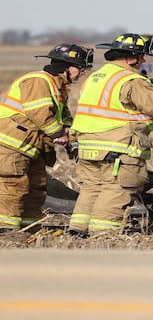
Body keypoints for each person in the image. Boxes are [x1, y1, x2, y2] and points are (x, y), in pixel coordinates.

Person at [67, 33, 153, 235]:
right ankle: (101, 236)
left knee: (91, 190)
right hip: (116, 147)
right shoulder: (130, 79)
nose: (143, 61)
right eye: (142, 57)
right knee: (115, 191)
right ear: (131, 57)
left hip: (88, 146)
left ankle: (77, 231)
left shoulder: (96, 77)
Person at [0, 44, 93, 232]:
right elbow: (39, 113)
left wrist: (70, 137)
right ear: (64, 66)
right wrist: (58, 134)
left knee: (36, 189)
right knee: (13, 187)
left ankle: (29, 229)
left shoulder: (58, 87)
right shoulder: (38, 81)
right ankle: (6, 232)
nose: (82, 72)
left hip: (31, 148)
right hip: (11, 148)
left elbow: (63, 116)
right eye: (79, 67)